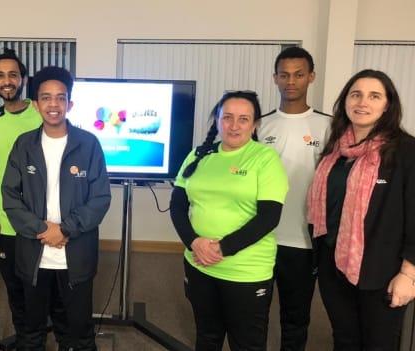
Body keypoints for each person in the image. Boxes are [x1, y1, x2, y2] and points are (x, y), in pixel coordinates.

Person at [2, 66, 111, 350]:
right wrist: (42, 229)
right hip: (34, 253)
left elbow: (100, 198)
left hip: (76, 254)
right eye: (46, 98)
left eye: (60, 98)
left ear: (70, 104)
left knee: (78, 332)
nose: (53, 104)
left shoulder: (88, 144)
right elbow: (10, 195)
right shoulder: (24, 145)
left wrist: (65, 229)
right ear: (36, 104)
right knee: (31, 330)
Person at [170, 90, 289, 351]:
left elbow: (268, 217)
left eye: (243, 119)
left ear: (255, 124)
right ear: (217, 120)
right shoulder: (198, 155)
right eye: (227, 118)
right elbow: (177, 207)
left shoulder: (265, 159)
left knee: (246, 343)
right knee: (207, 337)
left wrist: (221, 248)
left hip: (245, 271)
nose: (234, 126)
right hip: (199, 263)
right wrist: (194, 243)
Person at [307, 69, 415, 350]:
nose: (362, 102)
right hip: (333, 266)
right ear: (345, 101)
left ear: (387, 104)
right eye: (356, 94)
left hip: (383, 272)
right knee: (344, 338)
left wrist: (409, 274)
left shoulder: (406, 151)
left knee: (378, 344)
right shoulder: (336, 150)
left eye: (374, 96)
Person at [256, 46, 331, 350]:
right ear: (275, 78)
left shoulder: (329, 126)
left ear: (311, 77)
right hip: (259, 239)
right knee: (254, 316)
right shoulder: (259, 125)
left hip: (303, 241)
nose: (291, 81)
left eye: (299, 74)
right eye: (284, 74)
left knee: (296, 319)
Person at [0, 48, 42, 347]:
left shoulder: (41, 113)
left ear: (22, 78)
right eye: (0, 75)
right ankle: (25, 340)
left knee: (44, 289)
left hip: (43, 222)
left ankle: (38, 338)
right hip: (6, 223)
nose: (7, 81)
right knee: (16, 290)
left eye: (13, 74)